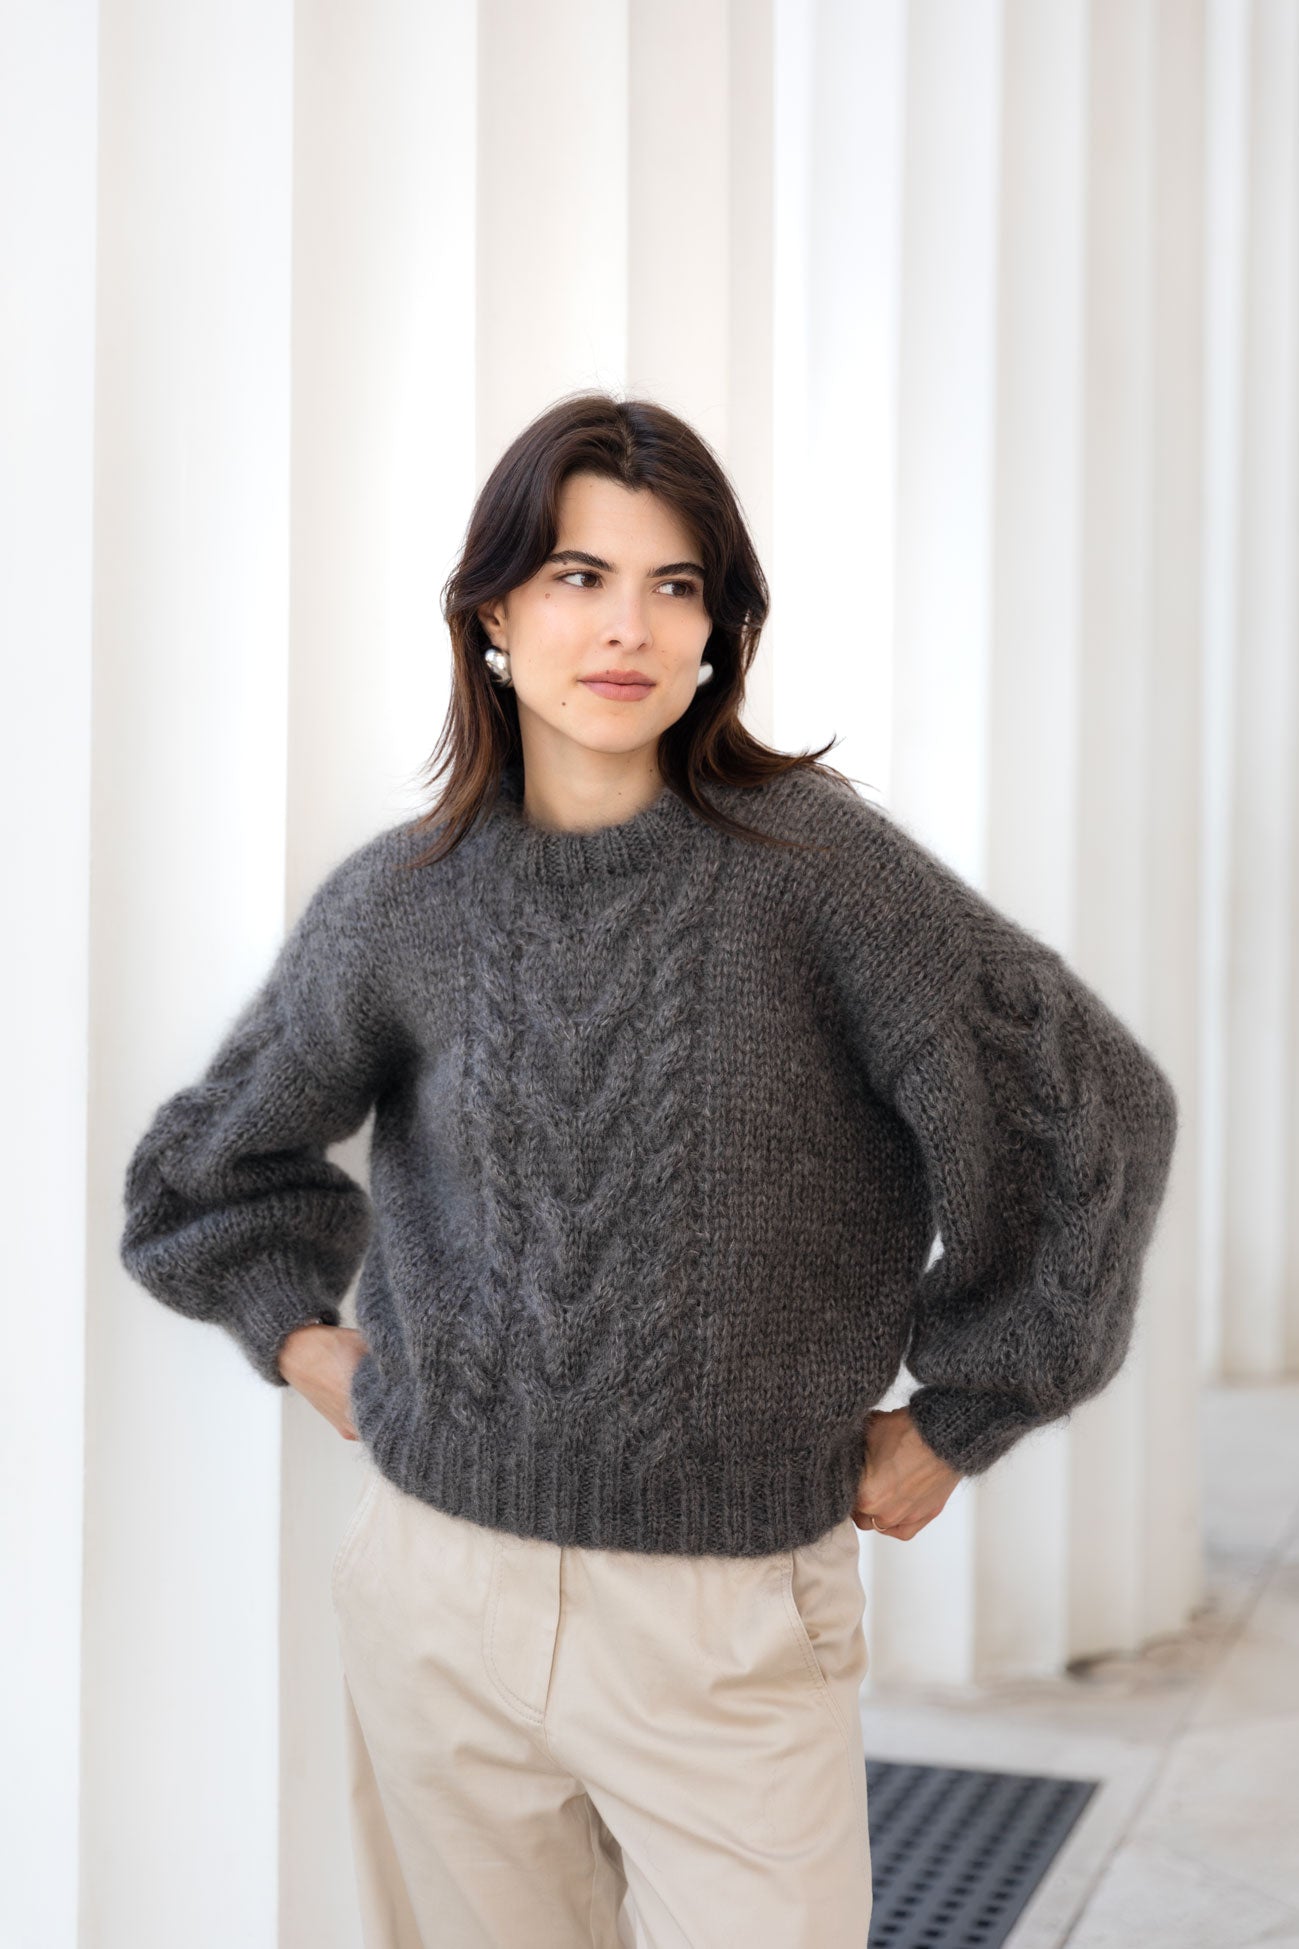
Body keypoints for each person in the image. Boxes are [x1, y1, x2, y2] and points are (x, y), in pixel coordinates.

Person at [118, 391, 1179, 1948]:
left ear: (717, 631)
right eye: (577, 577)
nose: (627, 626)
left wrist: (966, 1412)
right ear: (491, 614)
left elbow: (1090, 1109)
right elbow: (205, 1172)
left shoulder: (814, 872)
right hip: (440, 1602)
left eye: (675, 585)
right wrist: (316, 1351)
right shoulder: (402, 904)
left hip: (726, 1619)